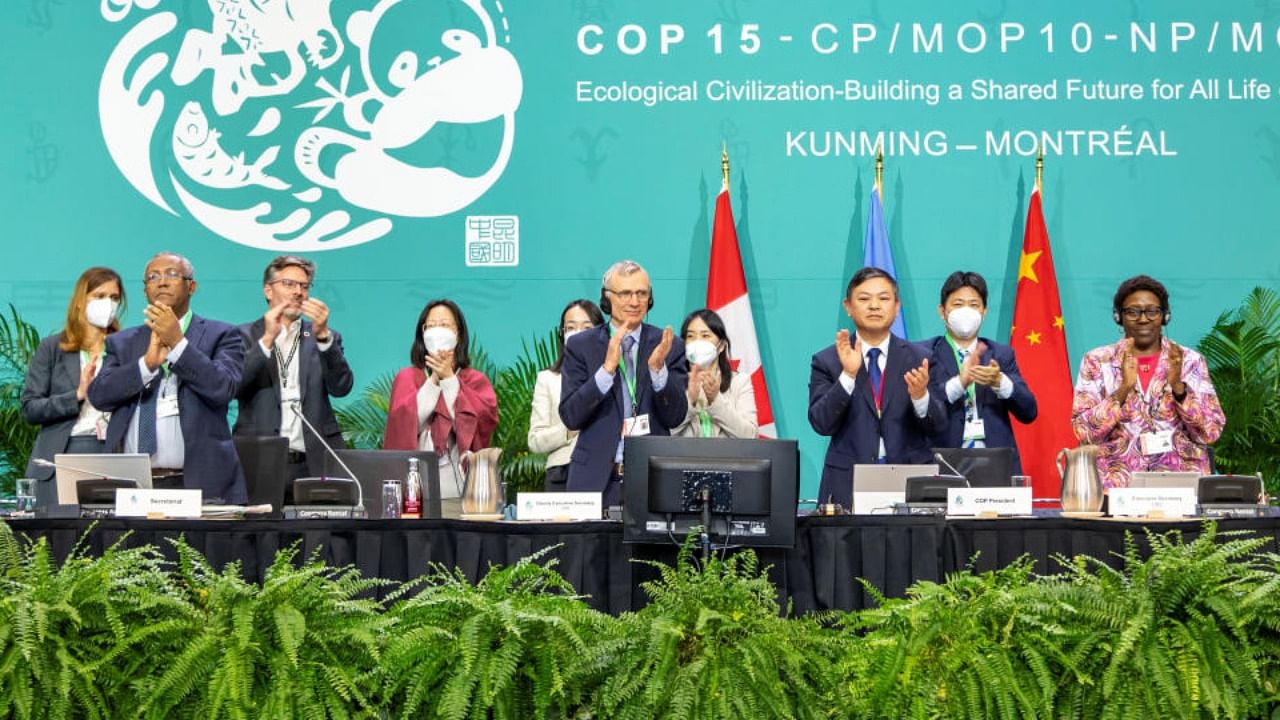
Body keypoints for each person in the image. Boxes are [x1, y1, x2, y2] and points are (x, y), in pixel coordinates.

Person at [88, 252, 247, 503]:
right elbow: (99, 395)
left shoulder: (223, 334)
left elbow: (223, 388)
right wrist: (146, 364)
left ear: (191, 286)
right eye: (153, 276)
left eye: (172, 274)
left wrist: (177, 343)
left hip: (197, 484)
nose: (161, 282)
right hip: (134, 488)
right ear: (145, 290)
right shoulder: (122, 342)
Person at [808, 266, 947, 508]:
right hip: (847, 482)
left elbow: (939, 425)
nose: (874, 306)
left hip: (910, 479)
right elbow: (821, 423)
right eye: (864, 299)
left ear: (897, 306)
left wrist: (921, 396)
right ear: (848, 307)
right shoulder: (827, 360)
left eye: (883, 298)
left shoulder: (921, 359)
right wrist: (848, 375)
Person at [1071, 275, 1224, 488]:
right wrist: (1122, 390)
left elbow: (1211, 431)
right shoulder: (1097, 361)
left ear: (1165, 317)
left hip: (1180, 482)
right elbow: (1083, 430)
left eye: (1152, 311)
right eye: (1133, 312)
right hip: (1118, 484)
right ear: (1118, 317)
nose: (1143, 319)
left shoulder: (1189, 361)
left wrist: (1179, 390)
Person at [559, 260, 688, 505]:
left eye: (641, 293)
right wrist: (606, 371)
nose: (634, 302)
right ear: (607, 300)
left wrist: (658, 371)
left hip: (652, 478)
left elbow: (676, 417)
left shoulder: (668, 344)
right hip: (594, 480)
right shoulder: (581, 346)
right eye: (625, 293)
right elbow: (571, 416)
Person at [235, 256, 354, 495]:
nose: (298, 292)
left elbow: (341, 387)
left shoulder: (324, 337)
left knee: (317, 532)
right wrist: (267, 340)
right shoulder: (243, 336)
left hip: (314, 461)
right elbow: (234, 385)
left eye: (304, 286)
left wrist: (323, 338)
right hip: (260, 460)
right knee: (263, 532)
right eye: (289, 284)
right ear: (268, 290)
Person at [21, 267, 127, 508]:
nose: (108, 304)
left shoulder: (125, 348)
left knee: (111, 540)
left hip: (113, 454)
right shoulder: (52, 348)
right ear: (81, 301)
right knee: (57, 541)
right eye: (99, 296)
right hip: (63, 453)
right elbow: (30, 408)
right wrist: (77, 394)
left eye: (114, 298)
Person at [384, 299, 498, 514]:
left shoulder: (475, 380)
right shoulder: (407, 377)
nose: (437, 332)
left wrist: (448, 380)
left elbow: (478, 425)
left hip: (462, 495)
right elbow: (404, 426)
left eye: (445, 325)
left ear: (459, 333)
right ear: (422, 333)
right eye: (431, 326)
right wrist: (434, 380)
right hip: (414, 497)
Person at [925, 271, 1037, 472]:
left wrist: (1000, 383)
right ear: (942, 311)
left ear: (984, 311)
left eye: (974, 305)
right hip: (943, 462)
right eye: (958, 304)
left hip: (995, 463)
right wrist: (959, 383)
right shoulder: (925, 353)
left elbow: (1029, 412)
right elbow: (923, 410)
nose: (966, 311)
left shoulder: (1000, 355)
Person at [528, 299, 605, 491]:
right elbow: (535, 440)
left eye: (586, 327)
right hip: (562, 473)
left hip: (605, 472)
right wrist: (570, 429)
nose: (578, 333)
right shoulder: (547, 378)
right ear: (562, 334)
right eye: (571, 327)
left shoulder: (611, 377)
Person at [672, 308, 758, 438]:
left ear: (722, 346)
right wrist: (690, 401)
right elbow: (665, 433)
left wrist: (715, 400)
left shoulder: (739, 382)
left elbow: (750, 436)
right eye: (690, 336)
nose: (697, 342)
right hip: (683, 457)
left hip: (728, 458)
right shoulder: (673, 381)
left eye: (705, 336)